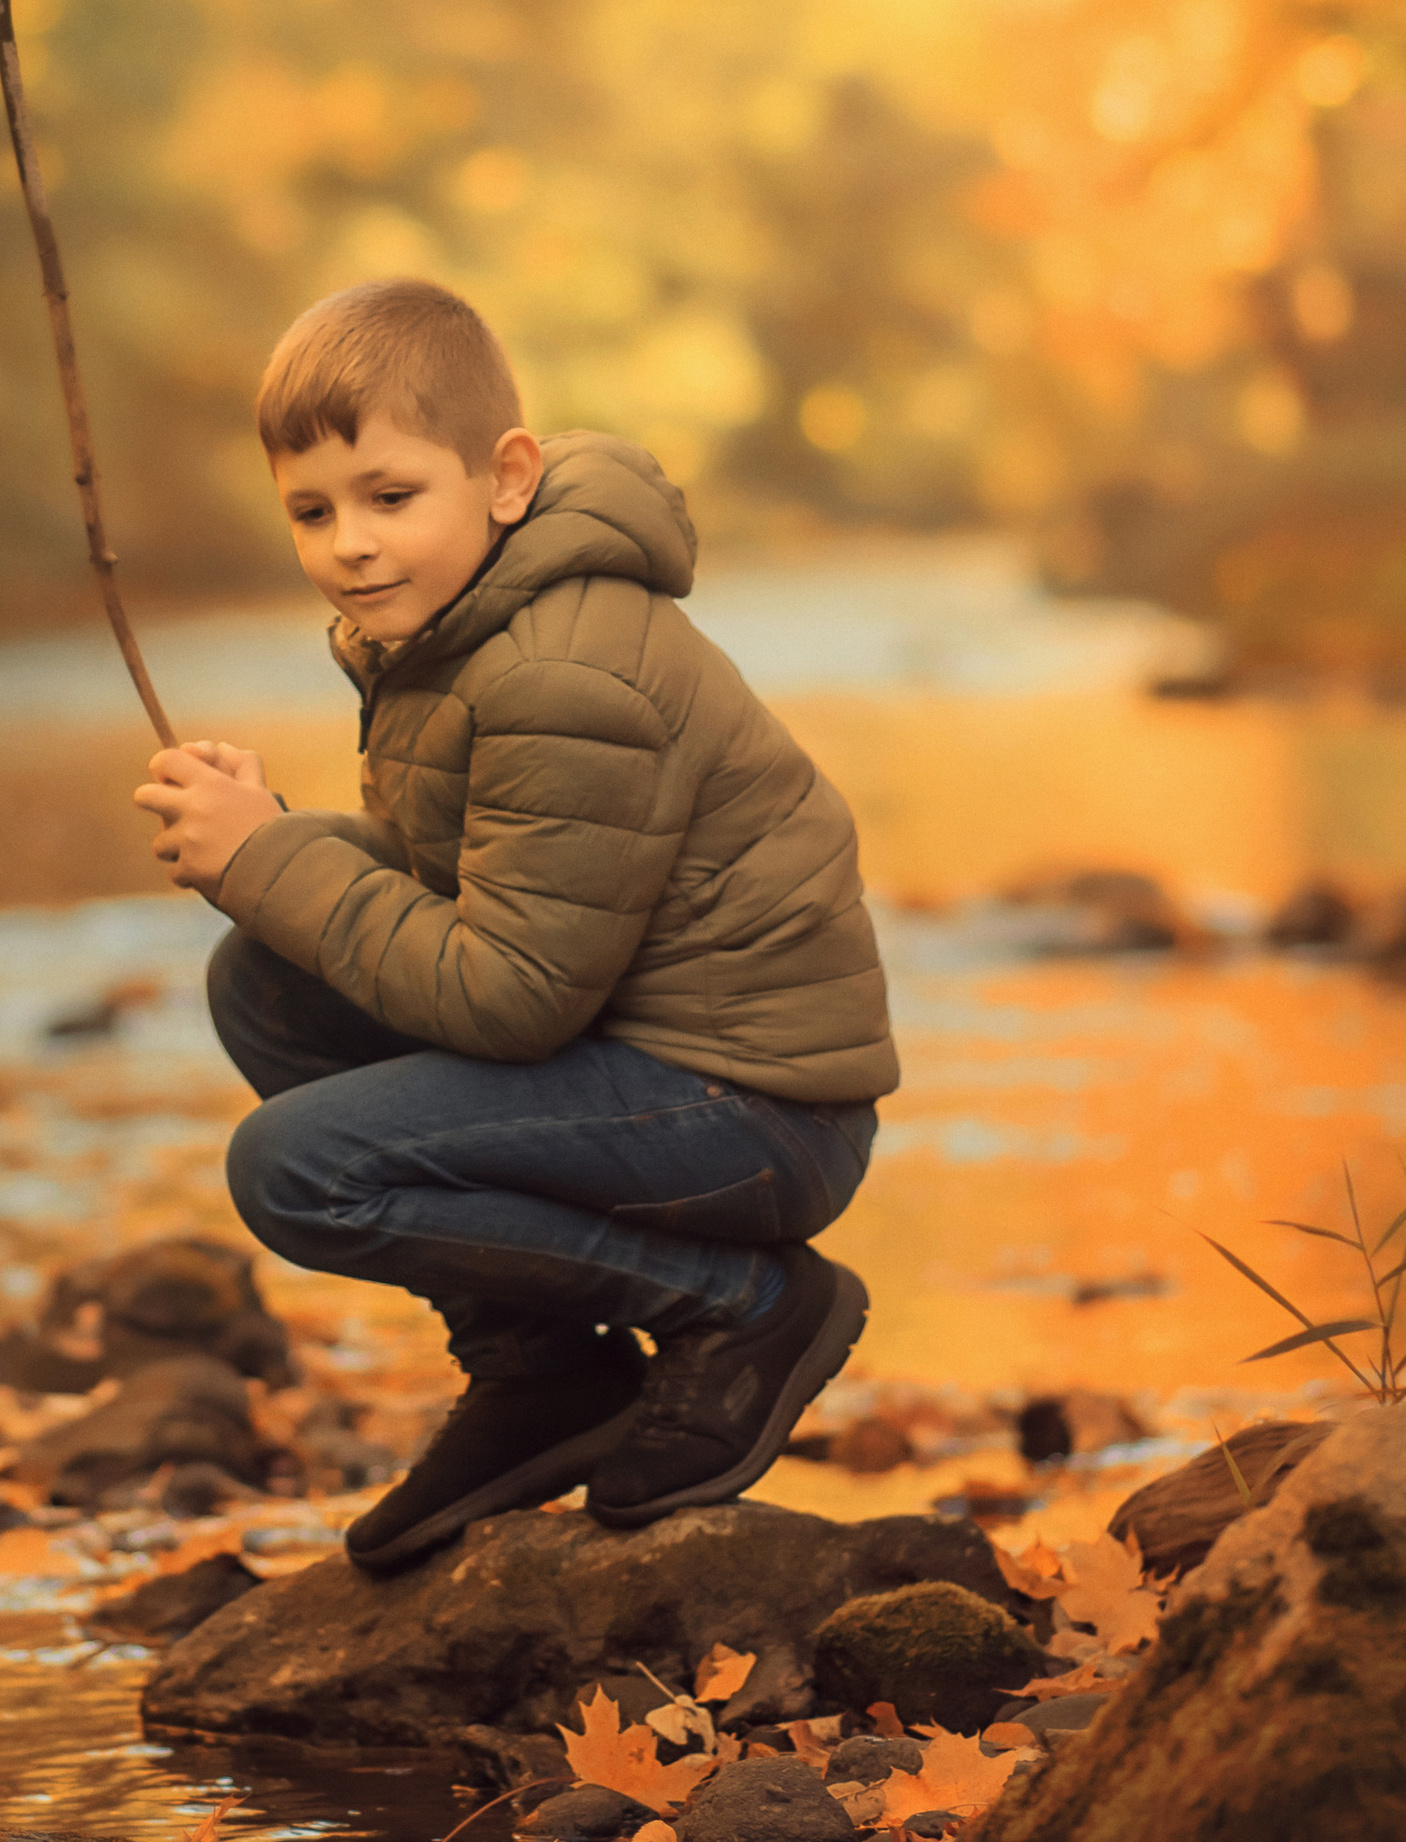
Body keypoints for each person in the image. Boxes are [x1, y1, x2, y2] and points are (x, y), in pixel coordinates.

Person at [134, 275, 895, 1578]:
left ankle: (747, 1306)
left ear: (505, 475)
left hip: (755, 1111)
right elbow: (482, 890)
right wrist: (271, 846)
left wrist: (267, 856)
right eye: (311, 511)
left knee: (296, 1167)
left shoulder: (562, 670)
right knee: (263, 981)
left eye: (388, 496)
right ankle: (544, 1368)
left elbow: (514, 994)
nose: (349, 544)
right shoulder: (456, 626)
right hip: (644, 1055)